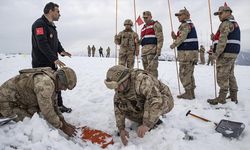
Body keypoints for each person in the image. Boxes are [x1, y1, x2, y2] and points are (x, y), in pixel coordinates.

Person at [104, 65, 174, 146]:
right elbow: (118, 106)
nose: (116, 90)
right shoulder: (121, 87)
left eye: (117, 86)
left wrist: (146, 124)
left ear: (125, 80)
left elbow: (156, 100)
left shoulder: (142, 80)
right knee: (127, 108)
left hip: (163, 98)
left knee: (154, 105)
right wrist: (121, 129)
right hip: (146, 99)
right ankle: (149, 117)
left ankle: (154, 119)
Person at [0, 67, 77, 137]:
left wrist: (63, 121)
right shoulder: (45, 83)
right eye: (65, 86)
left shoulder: (53, 78)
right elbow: (47, 111)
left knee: (36, 113)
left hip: (19, 99)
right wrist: (63, 127)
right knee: (31, 122)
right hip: (5, 102)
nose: (64, 89)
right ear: (59, 79)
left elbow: (54, 104)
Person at [31, 2, 72, 113]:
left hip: (51, 62)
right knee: (45, 87)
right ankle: (44, 109)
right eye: (57, 11)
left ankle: (59, 105)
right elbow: (42, 44)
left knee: (57, 83)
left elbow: (55, 42)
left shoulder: (51, 26)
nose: (59, 14)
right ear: (50, 11)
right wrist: (54, 58)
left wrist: (62, 51)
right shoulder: (39, 24)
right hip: (41, 64)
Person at [207, 4, 240, 105]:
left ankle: (221, 98)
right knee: (230, 74)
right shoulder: (234, 23)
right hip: (232, 53)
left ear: (228, 12)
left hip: (225, 53)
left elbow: (222, 40)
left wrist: (216, 54)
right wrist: (214, 38)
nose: (219, 16)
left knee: (222, 75)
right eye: (218, 14)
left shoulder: (225, 23)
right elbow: (223, 38)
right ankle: (234, 96)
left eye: (221, 13)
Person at [170, 8, 198, 100]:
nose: (178, 17)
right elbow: (183, 37)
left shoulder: (185, 25)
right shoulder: (189, 25)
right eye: (178, 15)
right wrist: (175, 37)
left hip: (187, 54)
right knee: (189, 73)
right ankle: (191, 92)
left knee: (184, 73)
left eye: (180, 15)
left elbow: (182, 37)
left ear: (186, 15)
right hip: (190, 53)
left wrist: (174, 44)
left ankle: (188, 93)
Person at [140, 11, 164, 78]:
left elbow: (160, 38)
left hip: (152, 51)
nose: (145, 19)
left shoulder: (155, 24)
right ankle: (148, 86)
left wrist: (159, 50)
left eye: (146, 17)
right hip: (144, 52)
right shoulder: (143, 28)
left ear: (150, 16)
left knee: (152, 71)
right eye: (144, 18)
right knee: (146, 71)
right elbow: (142, 40)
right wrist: (138, 41)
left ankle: (154, 86)